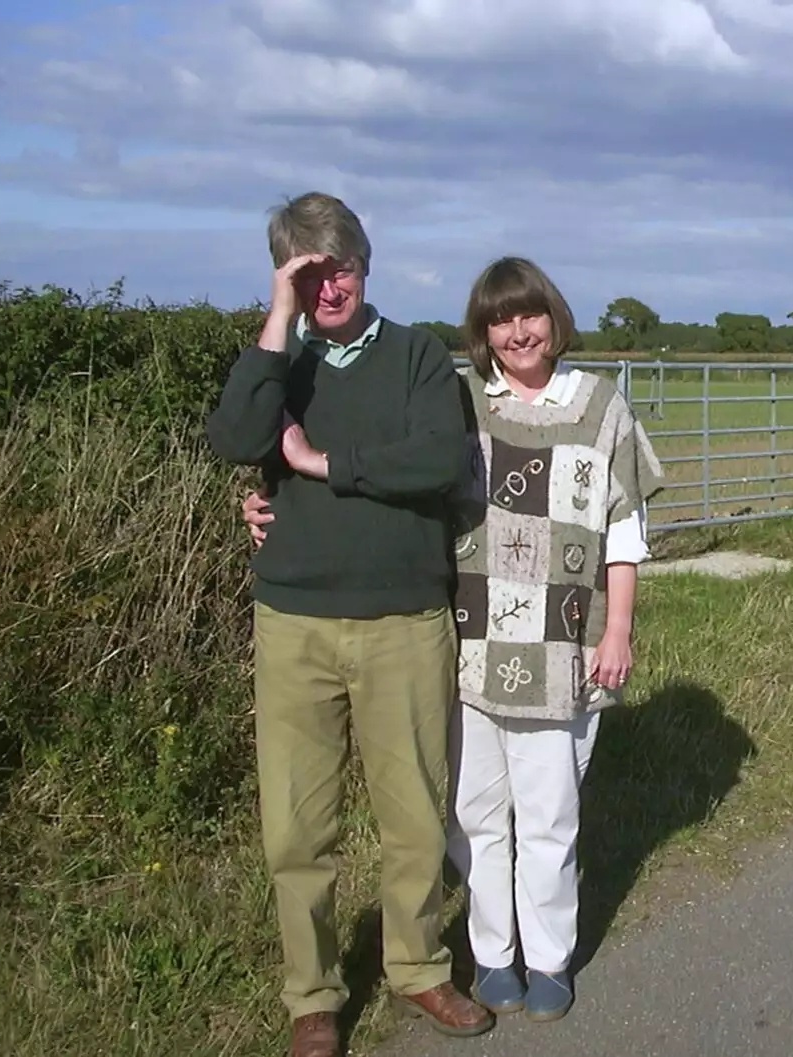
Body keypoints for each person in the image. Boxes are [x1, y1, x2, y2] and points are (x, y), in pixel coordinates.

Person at [243, 255, 665, 1023]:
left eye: (529, 313)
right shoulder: (461, 399)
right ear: (482, 334)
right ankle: (492, 954)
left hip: (561, 648)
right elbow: (393, 479)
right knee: (472, 814)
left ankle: (549, 958)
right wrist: (272, 499)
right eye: (499, 319)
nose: (517, 331)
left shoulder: (602, 407)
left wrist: (618, 628)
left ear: (554, 318)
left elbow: (624, 532)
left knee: (548, 816)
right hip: (466, 644)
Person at [206, 191, 493, 1057]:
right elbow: (233, 437)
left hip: (404, 618)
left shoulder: (414, 356)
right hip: (294, 620)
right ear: (288, 277)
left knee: (412, 814)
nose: (331, 285)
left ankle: (418, 969)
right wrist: (277, 320)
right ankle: (314, 995)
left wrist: (318, 464)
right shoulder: (279, 361)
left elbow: (438, 459)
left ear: (366, 262)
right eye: (309, 272)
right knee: (297, 824)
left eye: (343, 266)